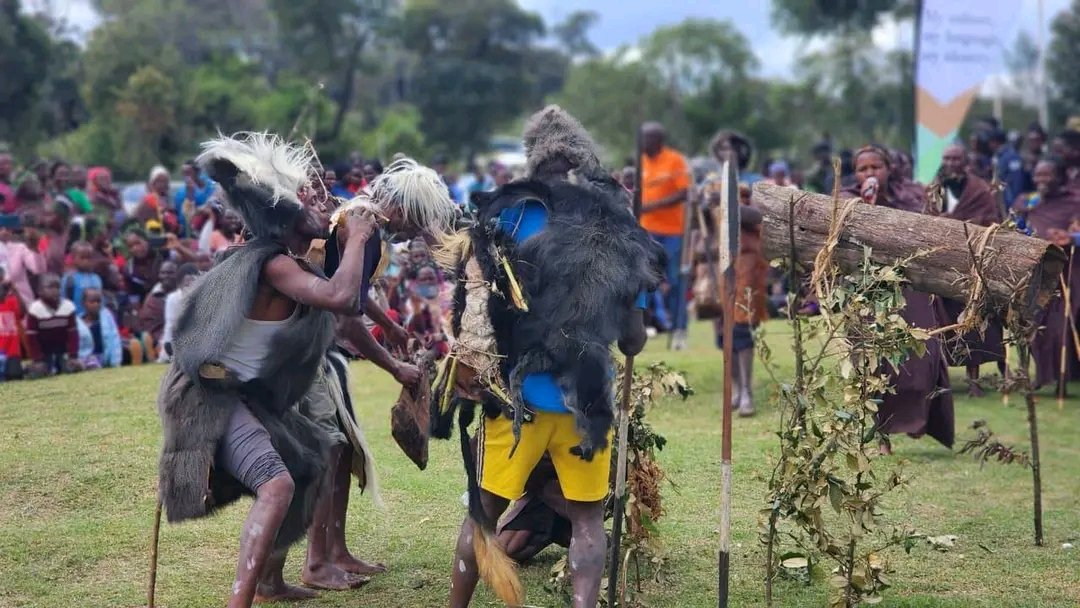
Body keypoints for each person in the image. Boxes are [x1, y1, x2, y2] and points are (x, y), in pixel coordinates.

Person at [439, 105, 662, 608]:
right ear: (584, 161)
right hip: (586, 403)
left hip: (517, 398)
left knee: (483, 513)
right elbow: (632, 342)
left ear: (533, 162)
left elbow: (472, 306)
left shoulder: (509, 216)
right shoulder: (619, 227)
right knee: (587, 521)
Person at [157, 132, 380, 607]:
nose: (323, 205)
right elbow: (342, 297)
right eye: (309, 202)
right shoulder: (272, 265)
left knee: (311, 459)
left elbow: (347, 308)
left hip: (245, 398)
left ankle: (270, 582)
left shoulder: (288, 262)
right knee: (276, 485)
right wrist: (359, 237)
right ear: (285, 216)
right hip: (209, 399)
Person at [302, 157, 455, 592]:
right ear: (402, 207)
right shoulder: (363, 226)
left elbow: (354, 289)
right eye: (416, 221)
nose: (413, 233)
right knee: (329, 451)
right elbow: (345, 318)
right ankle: (316, 562)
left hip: (321, 349)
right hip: (309, 350)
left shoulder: (362, 221)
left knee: (342, 451)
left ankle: (336, 551)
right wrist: (395, 366)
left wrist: (389, 326)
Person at [842, 145, 954, 454]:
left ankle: (919, 419)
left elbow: (931, 230)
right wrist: (867, 205)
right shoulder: (846, 199)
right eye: (863, 169)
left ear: (889, 168)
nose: (870, 173)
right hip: (869, 289)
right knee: (876, 363)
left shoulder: (912, 196)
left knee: (923, 355)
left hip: (911, 284)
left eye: (875, 167)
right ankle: (882, 436)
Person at [929, 143, 1006, 396]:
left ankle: (974, 381)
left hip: (972, 264)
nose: (951, 163)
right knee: (942, 322)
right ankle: (940, 379)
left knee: (974, 322)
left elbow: (991, 222)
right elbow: (924, 218)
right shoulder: (935, 188)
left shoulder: (979, 190)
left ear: (965, 161)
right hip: (942, 264)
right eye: (947, 158)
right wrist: (937, 223)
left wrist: (957, 224)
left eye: (956, 158)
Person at [1014, 156, 1080, 391]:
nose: (1041, 179)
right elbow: (1018, 228)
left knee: (1059, 327)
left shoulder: (1074, 201)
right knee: (1033, 323)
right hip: (1037, 271)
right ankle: (1041, 375)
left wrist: (1070, 238)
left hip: (1067, 273)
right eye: (1038, 175)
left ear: (1059, 177)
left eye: (1047, 174)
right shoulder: (1030, 201)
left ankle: (1062, 379)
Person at [640, 122, 691, 349]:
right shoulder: (641, 161)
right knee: (645, 279)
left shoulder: (674, 160)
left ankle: (679, 329)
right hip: (646, 231)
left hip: (672, 232)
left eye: (647, 138)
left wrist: (653, 206)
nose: (642, 143)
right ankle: (646, 326)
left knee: (675, 280)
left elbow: (684, 192)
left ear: (658, 141)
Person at [26, 273, 82, 378]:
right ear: (40, 291)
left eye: (57, 287)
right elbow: (32, 338)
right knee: (39, 372)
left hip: (62, 350)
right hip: (44, 351)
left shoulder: (68, 306)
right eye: (50, 287)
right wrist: (37, 359)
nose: (55, 290)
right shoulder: (35, 309)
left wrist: (73, 356)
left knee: (73, 368)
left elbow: (73, 334)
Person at [158, 263, 200, 363]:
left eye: (193, 284)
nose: (189, 288)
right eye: (186, 285)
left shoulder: (204, 298)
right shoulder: (173, 299)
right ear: (179, 285)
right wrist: (164, 353)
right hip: (179, 341)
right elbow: (170, 326)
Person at [0, 214, 45, 305]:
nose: (4, 231)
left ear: (12, 230)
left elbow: (38, 270)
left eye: (7, 228)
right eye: (0, 228)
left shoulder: (20, 248)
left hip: (22, 300)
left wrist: (35, 250)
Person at [135, 259, 178, 354]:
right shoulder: (152, 297)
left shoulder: (184, 294)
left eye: (170, 273)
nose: (166, 276)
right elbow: (146, 322)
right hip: (156, 339)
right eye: (163, 273)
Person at [76, 287, 122, 369]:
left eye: (98, 301)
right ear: (83, 303)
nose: (96, 304)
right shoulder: (78, 322)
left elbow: (114, 338)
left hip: (103, 356)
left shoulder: (106, 318)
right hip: (85, 357)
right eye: (92, 302)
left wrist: (115, 361)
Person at [174, 158, 217, 235]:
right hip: (193, 230)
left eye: (188, 173)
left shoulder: (211, 185)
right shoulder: (181, 194)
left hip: (214, 225)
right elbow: (183, 219)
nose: (186, 176)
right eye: (183, 173)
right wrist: (190, 195)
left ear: (197, 172)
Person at [62, 241, 105, 317]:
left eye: (89, 258)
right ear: (73, 258)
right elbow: (63, 302)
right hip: (76, 319)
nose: (86, 261)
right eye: (82, 258)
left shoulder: (96, 278)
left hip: (95, 320)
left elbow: (101, 302)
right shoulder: (69, 279)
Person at [988, 129, 1026, 206]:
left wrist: (1015, 202)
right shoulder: (998, 156)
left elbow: (1017, 179)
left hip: (1011, 202)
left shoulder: (1012, 156)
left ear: (995, 142)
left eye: (990, 142)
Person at [0, 266, 25, 380]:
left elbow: (22, 312)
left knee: (14, 376)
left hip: (12, 351)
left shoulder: (11, 300)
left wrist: (15, 290)